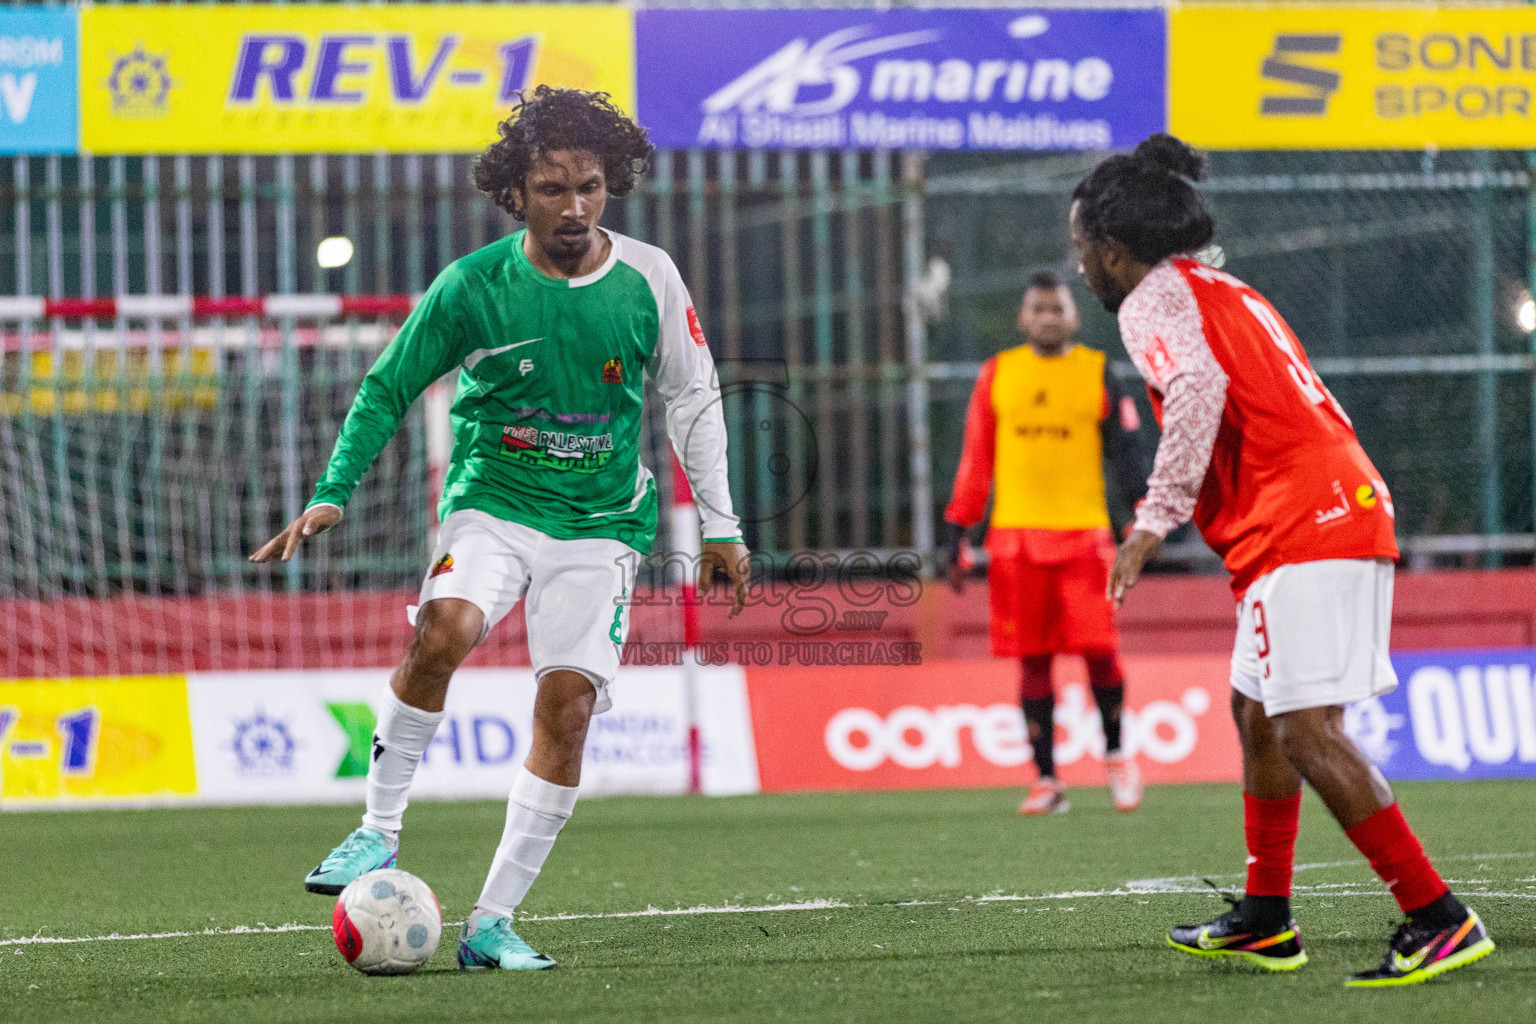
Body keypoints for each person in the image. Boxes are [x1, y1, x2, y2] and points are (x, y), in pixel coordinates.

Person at [250, 87, 750, 972]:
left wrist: (721, 525)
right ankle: (376, 831)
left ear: (611, 186)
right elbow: (386, 387)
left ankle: (491, 923)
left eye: (590, 186)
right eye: (553, 188)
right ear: (516, 192)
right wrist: (333, 490)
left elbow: (693, 399)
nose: (575, 207)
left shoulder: (651, 278)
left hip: (600, 524)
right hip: (493, 504)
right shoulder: (472, 287)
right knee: (447, 628)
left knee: (569, 705)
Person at [1073, 133, 1493, 986]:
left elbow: (1197, 390)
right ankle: (1266, 918)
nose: (1080, 264)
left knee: (1306, 731)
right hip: (1318, 510)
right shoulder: (1216, 285)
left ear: (1112, 251)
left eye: (1081, 247)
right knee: (1257, 714)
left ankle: (1436, 917)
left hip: (1306, 519)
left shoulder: (1149, 299)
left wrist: (1154, 520)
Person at [943, 271, 1150, 816]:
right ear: (1023, 317)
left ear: (1073, 316)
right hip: (1015, 541)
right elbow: (976, 459)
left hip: (1085, 539)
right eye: (1038, 309)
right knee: (1032, 661)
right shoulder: (998, 374)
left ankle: (1116, 755)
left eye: (1057, 309)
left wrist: (1140, 522)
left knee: (1101, 653)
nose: (1048, 318)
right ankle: (1046, 780)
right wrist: (958, 530)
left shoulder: (1100, 373)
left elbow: (1127, 456)